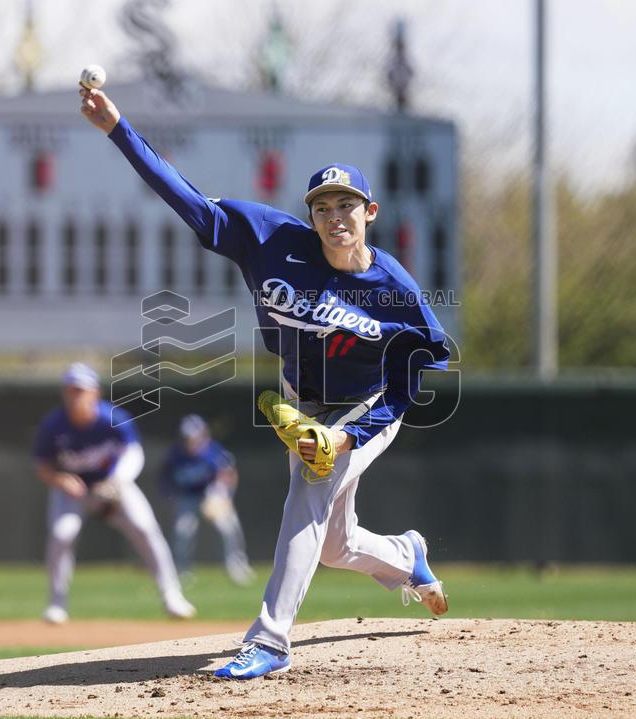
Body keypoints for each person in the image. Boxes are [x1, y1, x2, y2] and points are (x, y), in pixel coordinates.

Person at [79, 86, 450, 678]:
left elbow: (410, 382)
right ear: (311, 215)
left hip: (368, 402)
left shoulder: (395, 291)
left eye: (346, 205)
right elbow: (189, 202)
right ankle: (407, 554)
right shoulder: (272, 242)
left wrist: (348, 440)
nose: (334, 217)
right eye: (323, 207)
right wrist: (119, 130)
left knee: (310, 483)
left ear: (370, 212)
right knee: (334, 545)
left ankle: (271, 640)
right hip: (305, 395)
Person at [33, 362, 196, 623]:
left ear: (94, 393)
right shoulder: (54, 425)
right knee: (62, 534)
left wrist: (117, 481)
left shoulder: (113, 418)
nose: (75, 396)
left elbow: (133, 452)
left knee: (144, 528)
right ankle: (56, 603)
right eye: (71, 390)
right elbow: (43, 466)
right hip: (74, 491)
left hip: (114, 486)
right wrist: (60, 479)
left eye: (81, 390)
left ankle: (172, 596)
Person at [159, 414, 255, 586]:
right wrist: (170, 497)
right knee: (183, 532)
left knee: (228, 528)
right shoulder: (175, 455)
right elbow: (165, 480)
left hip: (212, 494)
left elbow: (229, 474)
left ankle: (236, 566)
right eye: (187, 437)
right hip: (187, 496)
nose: (191, 441)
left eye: (194, 436)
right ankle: (182, 571)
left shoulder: (214, 451)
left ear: (203, 435)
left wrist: (224, 495)